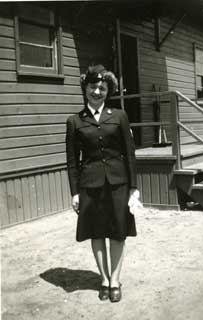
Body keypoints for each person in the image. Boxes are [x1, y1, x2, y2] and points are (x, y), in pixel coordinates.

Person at [66, 64, 140, 302]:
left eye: (102, 88)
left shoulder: (119, 116)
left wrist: (134, 188)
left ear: (108, 91)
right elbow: (71, 161)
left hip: (118, 183)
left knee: (118, 232)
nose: (97, 92)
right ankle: (105, 280)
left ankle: (116, 280)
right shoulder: (74, 121)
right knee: (97, 232)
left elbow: (130, 153)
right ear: (85, 89)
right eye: (92, 87)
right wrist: (75, 192)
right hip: (90, 185)